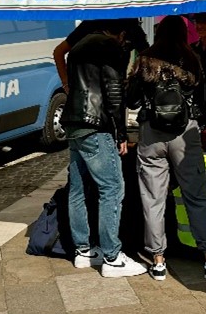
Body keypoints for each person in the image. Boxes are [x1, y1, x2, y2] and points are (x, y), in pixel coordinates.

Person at [127, 16, 206, 282]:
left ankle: (158, 260)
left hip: (151, 132)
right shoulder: (192, 58)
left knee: (153, 198)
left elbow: (132, 98)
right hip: (185, 133)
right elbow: (204, 97)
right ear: (184, 33)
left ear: (159, 32)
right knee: (196, 195)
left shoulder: (145, 58)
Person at [62, 19, 147, 278]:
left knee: (77, 189)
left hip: (74, 123)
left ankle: (83, 251)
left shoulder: (79, 45)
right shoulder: (110, 46)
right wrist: (120, 132)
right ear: (122, 34)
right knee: (112, 188)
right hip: (96, 125)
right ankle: (112, 257)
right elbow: (113, 92)